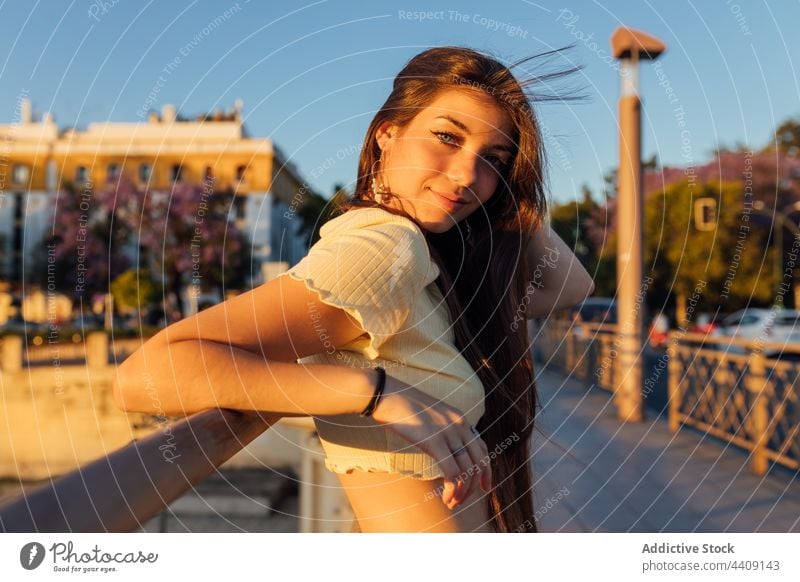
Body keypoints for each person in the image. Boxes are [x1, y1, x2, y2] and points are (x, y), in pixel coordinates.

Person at [113, 46, 595, 533]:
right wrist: (373, 392)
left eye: (493, 159)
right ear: (388, 132)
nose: (467, 174)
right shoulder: (385, 248)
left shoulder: (428, 258)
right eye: (447, 137)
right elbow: (145, 377)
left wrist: (514, 192)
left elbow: (569, 285)